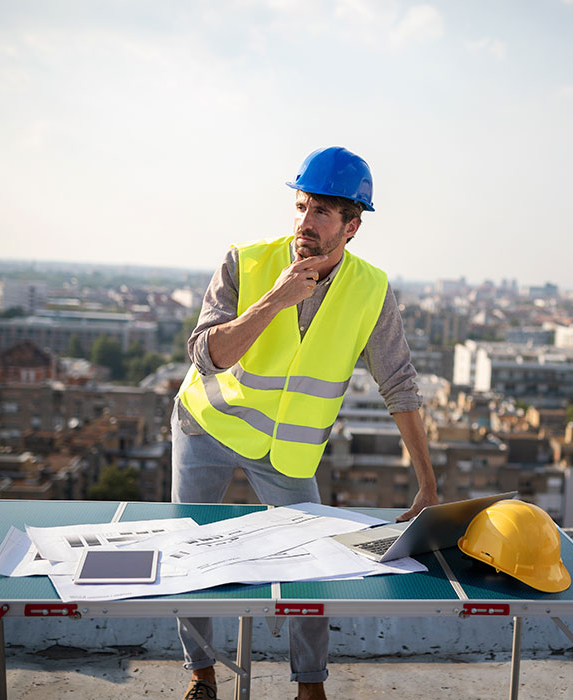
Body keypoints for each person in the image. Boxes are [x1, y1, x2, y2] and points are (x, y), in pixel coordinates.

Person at [171, 146, 439, 700]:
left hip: (285, 454)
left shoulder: (370, 289)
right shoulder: (244, 262)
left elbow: (399, 383)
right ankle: (201, 675)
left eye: (321, 212)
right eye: (300, 207)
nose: (305, 223)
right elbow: (207, 356)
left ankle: (310, 686)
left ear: (352, 226)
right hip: (208, 427)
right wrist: (275, 298)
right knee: (191, 553)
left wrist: (428, 481)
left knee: (315, 564)